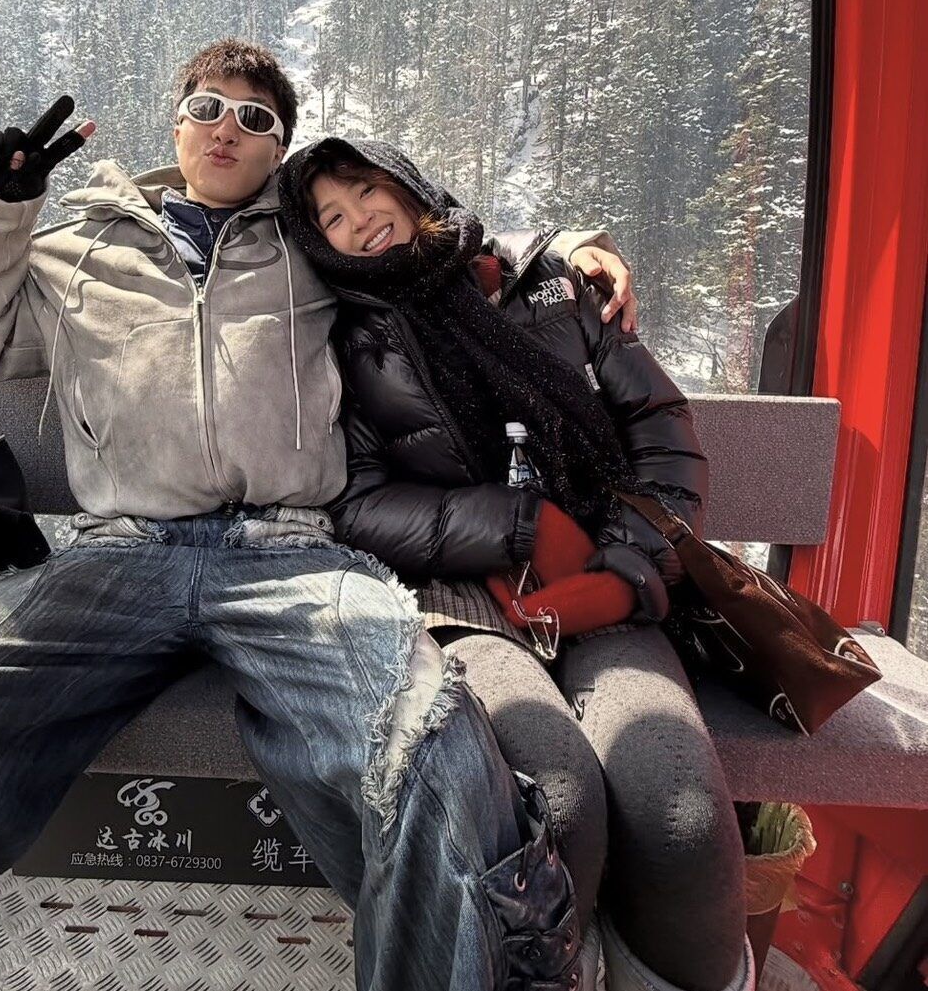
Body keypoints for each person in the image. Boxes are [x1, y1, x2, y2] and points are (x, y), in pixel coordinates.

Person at [0, 40, 632, 991]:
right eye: (207, 107)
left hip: (292, 554)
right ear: (176, 122)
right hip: (119, 553)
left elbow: (428, 244)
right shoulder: (81, 249)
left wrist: (564, 252)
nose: (227, 128)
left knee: (430, 740)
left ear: (278, 150)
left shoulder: (311, 249)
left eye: (255, 119)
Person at [277, 137, 753, 991]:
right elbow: (356, 504)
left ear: (406, 182)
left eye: (365, 190)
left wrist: (629, 564)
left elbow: (662, 436)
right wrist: (519, 524)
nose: (359, 221)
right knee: (555, 802)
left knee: (680, 815)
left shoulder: (553, 286)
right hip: (463, 595)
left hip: (612, 573)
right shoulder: (348, 340)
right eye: (332, 218)